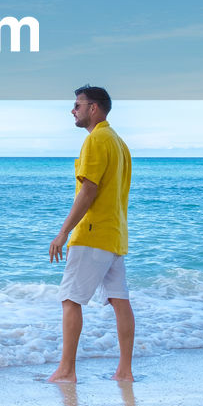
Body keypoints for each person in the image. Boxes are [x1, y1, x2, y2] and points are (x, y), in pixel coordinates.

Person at [48, 84, 134, 382]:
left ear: (93, 108)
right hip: (114, 236)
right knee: (119, 301)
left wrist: (63, 234)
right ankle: (125, 371)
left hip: (92, 234)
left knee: (71, 300)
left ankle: (67, 371)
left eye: (78, 105)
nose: (73, 110)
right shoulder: (119, 142)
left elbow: (89, 189)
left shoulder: (97, 139)